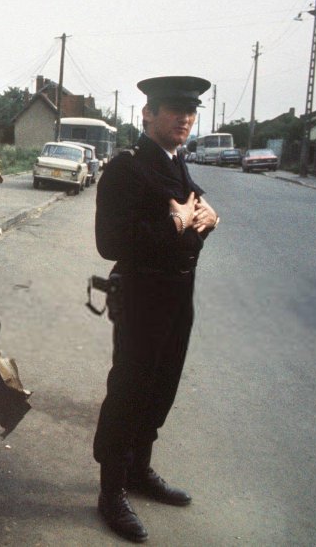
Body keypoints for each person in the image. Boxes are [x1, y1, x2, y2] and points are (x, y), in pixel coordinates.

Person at [93, 76, 220, 542]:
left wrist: (208, 216)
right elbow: (109, 243)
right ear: (147, 115)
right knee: (128, 387)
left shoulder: (176, 163)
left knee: (161, 385)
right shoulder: (126, 168)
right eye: (173, 110)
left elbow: (194, 202)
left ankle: (139, 471)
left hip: (176, 295)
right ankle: (111, 491)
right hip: (142, 295)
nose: (184, 118)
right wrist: (174, 222)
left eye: (190, 111)